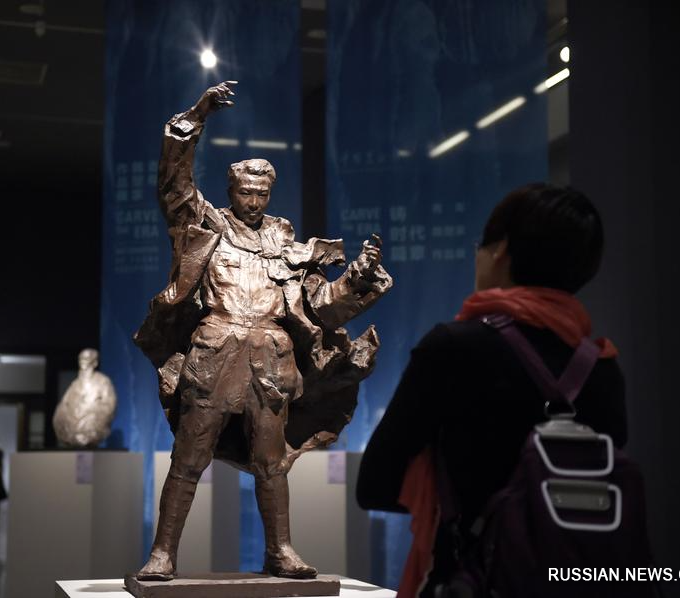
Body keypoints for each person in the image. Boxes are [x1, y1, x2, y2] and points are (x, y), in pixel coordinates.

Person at [135, 81, 392, 580]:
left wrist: (357, 278)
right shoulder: (206, 227)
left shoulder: (287, 245)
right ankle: (163, 553)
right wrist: (196, 116)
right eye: (245, 192)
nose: (253, 201)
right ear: (230, 191)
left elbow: (320, 305)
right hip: (215, 352)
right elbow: (174, 184)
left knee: (272, 463)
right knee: (189, 457)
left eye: (261, 193)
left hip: (271, 361)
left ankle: (280, 550)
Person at [356, 184, 627, 597]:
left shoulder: (452, 348)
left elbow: (375, 484)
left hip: (476, 581)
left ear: (500, 249)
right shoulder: (603, 367)